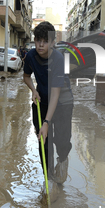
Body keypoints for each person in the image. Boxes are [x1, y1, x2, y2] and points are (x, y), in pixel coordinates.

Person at [23, 21, 73, 186]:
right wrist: (33, 90)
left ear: (52, 43)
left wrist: (46, 122)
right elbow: (26, 76)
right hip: (42, 99)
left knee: (61, 140)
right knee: (43, 139)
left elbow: (56, 94)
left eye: (45, 41)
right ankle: (48, 178)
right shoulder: (30, 56)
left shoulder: (58, 59)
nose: (41, 44)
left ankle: (63, 159)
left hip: (62, 101)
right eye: (38, 40)